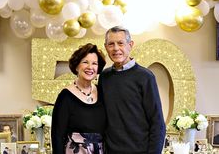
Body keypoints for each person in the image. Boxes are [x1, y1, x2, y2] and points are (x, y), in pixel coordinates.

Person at [98, 26, 166, 154]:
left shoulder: (145, 77)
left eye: (120, 43)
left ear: (130, 45)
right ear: (106, 47)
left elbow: (157, 122)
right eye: (111, 44)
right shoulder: (104, 77)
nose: (116, 48)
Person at [51, 43, 106, 154]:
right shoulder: (65, 96)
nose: (90, 67)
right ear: (76, 66)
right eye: (85, 62)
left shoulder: (103, 92)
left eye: (94, 63)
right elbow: (57, 135)